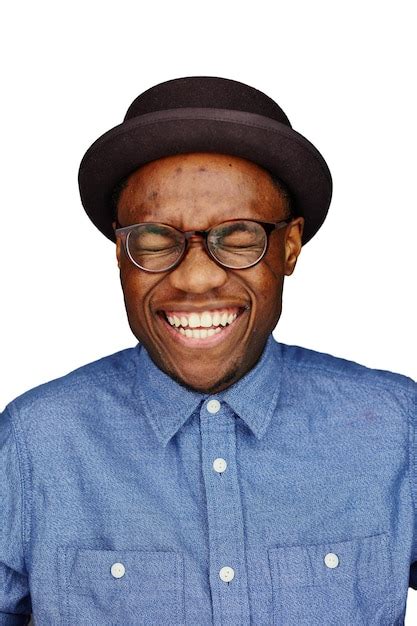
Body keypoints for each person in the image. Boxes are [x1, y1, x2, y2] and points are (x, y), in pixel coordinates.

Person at [0, 76, 415, 625]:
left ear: (289, 248)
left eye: (238, 237)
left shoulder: (394, 426)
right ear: (121, 254)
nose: (195, 279)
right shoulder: (35, 441)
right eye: (154, 239)